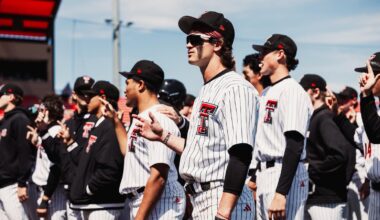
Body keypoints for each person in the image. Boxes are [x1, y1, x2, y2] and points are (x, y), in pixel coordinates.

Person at [134, 11, 258, 219]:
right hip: (202, 197)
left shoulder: (235, 87)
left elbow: (241, 153)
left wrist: (224, 212)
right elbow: (200, 150)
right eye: (187, 39)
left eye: (195, 39)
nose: (188, 45)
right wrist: (163, 136)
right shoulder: (207, 89)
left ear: (217, 44)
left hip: (223, 198)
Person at [251, 34, 313, 220]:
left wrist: (281, 193)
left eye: (264, 53)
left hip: (284, 174)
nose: (259, 58)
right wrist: (255, 177)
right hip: (265, 173)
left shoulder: (292, 91)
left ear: (280, 54)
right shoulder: (268, 92)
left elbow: (294, 144)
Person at [300, 74, 351, 219]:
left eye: (303, 90)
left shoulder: (324, 118)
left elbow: (340, 154)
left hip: (327, 200)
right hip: (315, 197)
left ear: (315, 92)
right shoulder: (313, 118)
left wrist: (311, 169)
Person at [26, 95, 67, 219]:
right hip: (42, 189)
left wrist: (45, 199)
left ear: (48, 111)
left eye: (41, 110)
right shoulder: (44, 130)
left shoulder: (55, 130)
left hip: (54, 191)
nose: (39, 113)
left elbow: (57, 165)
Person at [0, 83, 35, 220]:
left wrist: (22, 183)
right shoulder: (5, 121)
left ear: (10, 97)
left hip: (13, 185)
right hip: (2, 183)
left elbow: (25, 153)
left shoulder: (19, 119)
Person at [356, 52, 380, 220]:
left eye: (372, 72)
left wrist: (366, 95)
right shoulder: (372, 107)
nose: (366, 76)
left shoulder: (369, 104)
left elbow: (376, 133)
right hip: (375, 190)